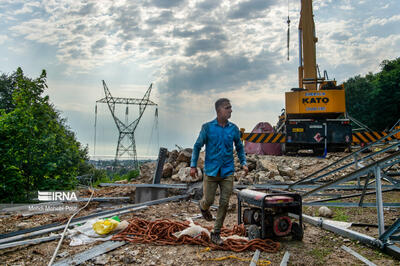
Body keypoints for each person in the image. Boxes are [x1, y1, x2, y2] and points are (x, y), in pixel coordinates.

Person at [190, 98, 248, 245]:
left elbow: (240, 148)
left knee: (224, 202)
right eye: (227, 108)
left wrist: (244, 163)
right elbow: (197, 146)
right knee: (208, 200)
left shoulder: (234, 129)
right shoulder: (208, 128)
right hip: (211, 172)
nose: (230, 110)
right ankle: (203, 206)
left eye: (230, 107)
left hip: (227, 172)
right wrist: (192, 166)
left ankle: (216, 233)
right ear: (219, 111)